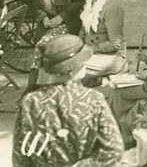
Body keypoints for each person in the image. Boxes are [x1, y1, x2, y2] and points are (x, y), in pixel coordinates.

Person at [13, 34, 123, 166]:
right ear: (76, 66)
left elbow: (20, 155)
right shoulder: (93, 99)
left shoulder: (31, 101)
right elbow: (113, 151)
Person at [79, 0, 127, 81]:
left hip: (112, 57)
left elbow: (115, 44)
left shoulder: (112, 6)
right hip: (93, 52)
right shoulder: (91, 0)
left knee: (72, 68)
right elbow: (84, 29)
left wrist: (89, 49)